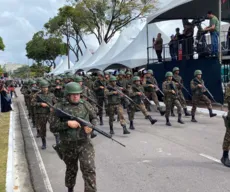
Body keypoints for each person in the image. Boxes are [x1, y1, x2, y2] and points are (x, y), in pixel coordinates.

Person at [50, 82, 97, 192]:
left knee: (89, 169)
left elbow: (94, 117)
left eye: (78, 94)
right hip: (68, 145)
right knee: (71, 169)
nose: (76, 96)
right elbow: (53, 127)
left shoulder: (85, 104)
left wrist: (91, 126)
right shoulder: (59, 107)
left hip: (85, 143)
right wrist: (67, 124)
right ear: (67, 95)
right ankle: (70, 189)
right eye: (73, 94)